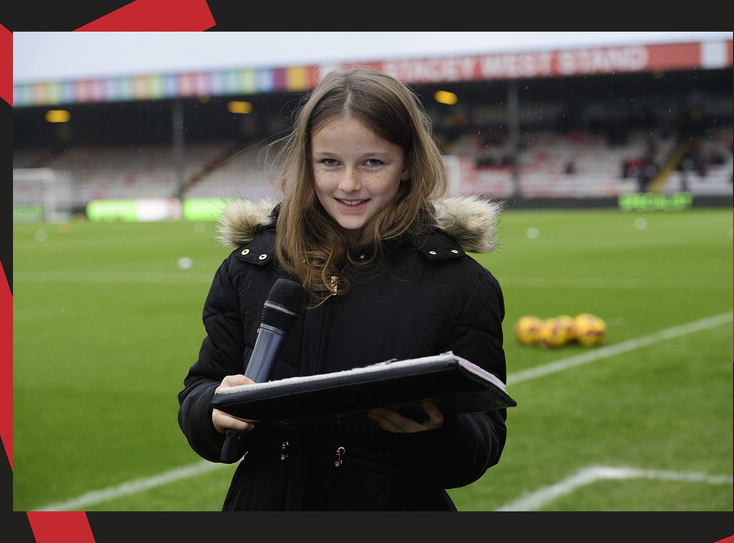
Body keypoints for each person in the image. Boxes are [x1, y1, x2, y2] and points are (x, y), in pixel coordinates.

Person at [177, 68, 508, 511]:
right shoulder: (250, 267)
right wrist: (210, 411)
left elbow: (483, 438)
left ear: (408, 164)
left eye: (373, 162)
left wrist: (439, 432)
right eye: (329, 162)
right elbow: (201, 386)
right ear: (306, 162)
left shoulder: (461, 283)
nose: (349, 184)